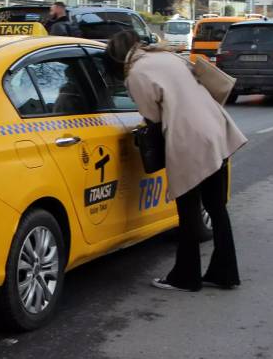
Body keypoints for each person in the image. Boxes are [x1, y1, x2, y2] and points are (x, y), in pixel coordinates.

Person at [105, 29, 247, 292]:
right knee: (217, 208)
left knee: (188, 210)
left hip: (189, 139)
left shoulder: (136, 74)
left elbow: (152, 118)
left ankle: (186, 276)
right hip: (215, 129)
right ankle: (225, 272)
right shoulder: (166, 56)